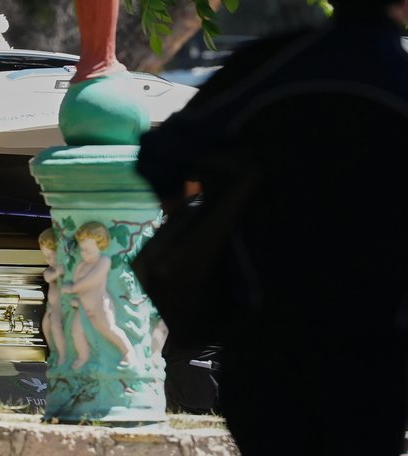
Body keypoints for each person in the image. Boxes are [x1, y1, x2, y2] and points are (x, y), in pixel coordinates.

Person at [136, 0, 408, 454]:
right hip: (376, 354)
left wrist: (218, 211)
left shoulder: (271, 67)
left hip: (263, 344)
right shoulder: (396, 78)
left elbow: (160, 159)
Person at [63, 222, 136, 369]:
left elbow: (92, 280)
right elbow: (80, 285)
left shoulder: (104, 261)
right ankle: (83, 357)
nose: (83, 253)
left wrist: (73, 288)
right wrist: (76, 297)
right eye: (82, 249)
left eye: (88, 250)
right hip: (84, 306)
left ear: (100, 245)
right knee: (76, 331)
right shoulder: (81, 265)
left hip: (100, 304)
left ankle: (128, 352)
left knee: (108, 329)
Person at [39, 228, 68, 366]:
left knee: (56, 326)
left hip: (59, 307)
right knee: (46, 326)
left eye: (50, 255)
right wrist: (57, 272)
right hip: (51, 307)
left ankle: (63, 356)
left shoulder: (68, 269)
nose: (47, 260)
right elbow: (47, 276)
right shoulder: (52, 270)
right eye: (45, 256)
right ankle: (54, 353)